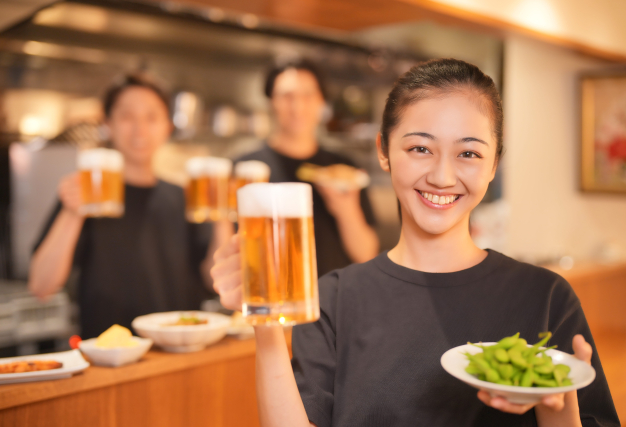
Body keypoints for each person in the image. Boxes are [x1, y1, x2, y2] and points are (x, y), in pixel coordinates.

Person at [211, 59, 619, 426]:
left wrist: (557, 407)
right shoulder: (332, 299)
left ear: (495, 163)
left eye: (469, 154)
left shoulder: (546, 298)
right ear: (384, 151)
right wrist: (263, 319)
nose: (442, 177)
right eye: (420, 148)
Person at [29, 74, 225, 339]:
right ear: (107, 124)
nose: (139, 129)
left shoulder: (185, 199)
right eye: (127, 117)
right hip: (109, 358)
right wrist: (71, 213)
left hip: (178, 351)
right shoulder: (86, 196)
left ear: (167, 127)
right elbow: (42, 286)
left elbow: (216, 282)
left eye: (151, 117)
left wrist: (223, 214)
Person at [236, 60, 379, 276]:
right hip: (269, 297)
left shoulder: (344, 170)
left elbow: (367, 255)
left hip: (334, 303)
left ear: (322, 101)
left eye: (308, 95)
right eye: (286, 96)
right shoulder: (245, 171)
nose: (297, 107)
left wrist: (346, 211)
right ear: (270, 102)